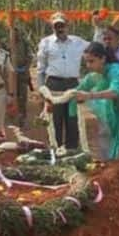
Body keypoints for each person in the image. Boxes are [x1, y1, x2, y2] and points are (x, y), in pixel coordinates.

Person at [71, 42, 119, 160]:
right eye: (86, 61)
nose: (88, 65)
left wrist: (89, 96)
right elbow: (76, 91)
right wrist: (52, 98)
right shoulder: (95, 76)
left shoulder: (116, 71)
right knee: (115, 149)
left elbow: (115, 92)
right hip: (117, 115)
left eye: (91, 61)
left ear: (102, 59)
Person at [36, 12, 89, 149]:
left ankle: (72, 154)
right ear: (52, 27)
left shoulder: (78, 42)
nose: (60, 29)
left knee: (73, 122)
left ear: (67, 26)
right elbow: (40, 70)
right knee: (54, 123)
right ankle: (56, 154)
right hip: (53, 86)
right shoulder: (46, 43)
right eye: (56, 26)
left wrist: (98, 28)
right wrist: (42, 90)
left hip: (72, 85)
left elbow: (96, 47)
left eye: (62, 25)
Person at [12, 25, 34, 129]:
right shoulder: (6, 43)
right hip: (10, 74)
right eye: (13, 32)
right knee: (11, 95)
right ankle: (12, 117)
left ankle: (22, 118)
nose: (15, 35)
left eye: (16, 32)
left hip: (23, 74)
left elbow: (30, 56)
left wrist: (25, 68)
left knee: (23, 96)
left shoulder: (24, 42)